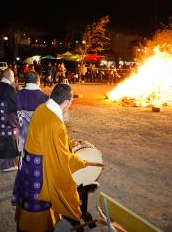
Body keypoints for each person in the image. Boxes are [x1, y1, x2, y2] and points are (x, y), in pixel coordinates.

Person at [12, 83, 103, 232]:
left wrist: (71, 142)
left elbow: (50, 139)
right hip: (40, 171)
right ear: (67, 102)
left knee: (31, 205)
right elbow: (62, 158)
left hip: (29, 165)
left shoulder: (42, 108)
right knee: (39, 210)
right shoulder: (55, 122)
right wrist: (83, 163)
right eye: (71, 101)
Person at [0, 68, 19, 171]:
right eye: (12, 76)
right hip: (7, 120)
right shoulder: (9, 88)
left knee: (0, 139)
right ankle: (7, 165)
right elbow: (16, 104)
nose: (13, 78)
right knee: (8, 140)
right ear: (9, 76)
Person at [16, 71, 49, 152]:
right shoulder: (45, 98)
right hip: (38, 139)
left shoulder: (17, 95)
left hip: (21, 136)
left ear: (25, 81)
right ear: (38, 81)